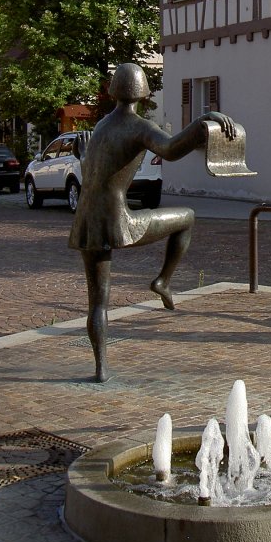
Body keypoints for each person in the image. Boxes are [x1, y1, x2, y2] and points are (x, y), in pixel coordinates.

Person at [68, 63, 237, 383]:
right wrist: (203, 121)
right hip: (120, 220)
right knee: (187, 217)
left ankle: (101, 368)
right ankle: (163, 281)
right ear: (144, 94)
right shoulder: (137, 126)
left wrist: (82, 154)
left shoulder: (102, 126)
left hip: (88, 220)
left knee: (98, 301)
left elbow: (94, 172)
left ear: (113, 91)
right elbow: (171, 149)